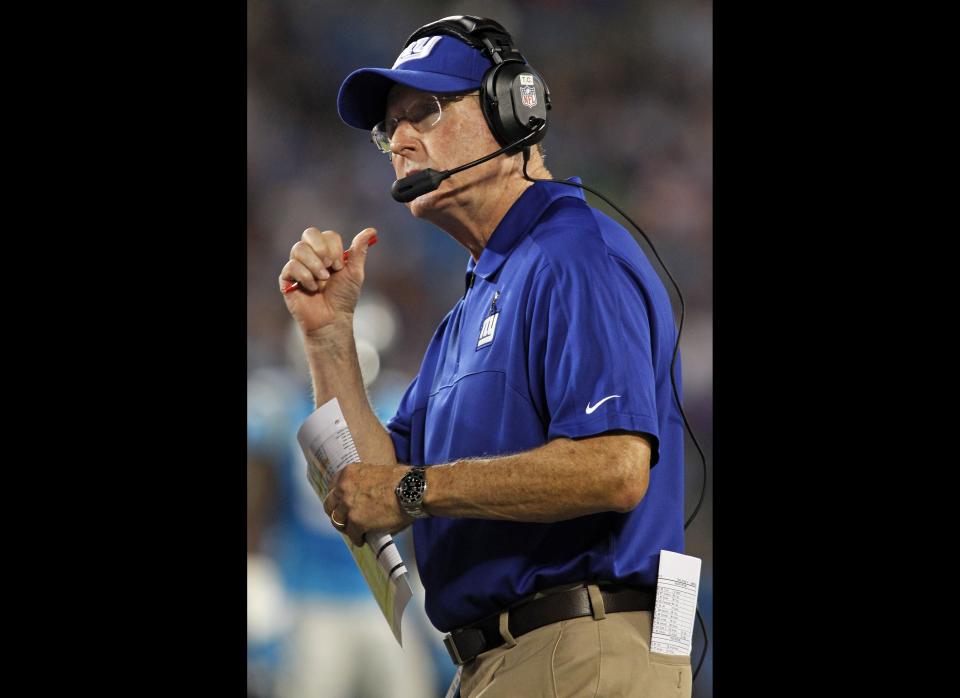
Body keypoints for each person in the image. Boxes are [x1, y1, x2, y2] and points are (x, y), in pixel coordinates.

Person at [279, 15, 691, 698]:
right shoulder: (470, 309)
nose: (401, 141)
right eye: (391, 128)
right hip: (504, 661)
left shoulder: (571, 251)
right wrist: (329, 337)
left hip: (582, 650)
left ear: (514, 110)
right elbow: (373, 486)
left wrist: (417, 488)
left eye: (426, 112)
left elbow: (615, 467)